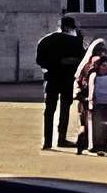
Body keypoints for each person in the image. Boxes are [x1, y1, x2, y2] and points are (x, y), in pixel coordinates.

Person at [33, 15, 86, 151]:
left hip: (51, 78)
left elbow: (39, 61)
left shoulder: (45, 41)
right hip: (67, 78)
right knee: (64, 109)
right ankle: (61, 138)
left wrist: (54, 64)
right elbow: (82, 59)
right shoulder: (75, 42)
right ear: (69, 28)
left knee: (49, 110)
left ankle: (47, 141)